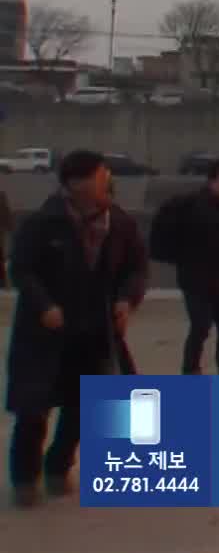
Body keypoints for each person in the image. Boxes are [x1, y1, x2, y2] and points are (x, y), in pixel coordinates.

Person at [5, 150, 148, 508]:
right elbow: (21, 269)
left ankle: (58, 467)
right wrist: (45, 305)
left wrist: (127, 299)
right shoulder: (43, 223)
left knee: (83, 406)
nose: (107, 181)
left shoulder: (119, 222)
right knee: (34, 408)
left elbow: (137, 268)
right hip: (45, 331)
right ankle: (25, 478)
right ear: (77, 182)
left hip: (95, 329)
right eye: (101, 175)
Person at [165, 158, 219, 375]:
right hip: (195, 278)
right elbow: (217, 230)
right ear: (212, 182)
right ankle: (191, 369)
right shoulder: (197, 206)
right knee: (201, 325)